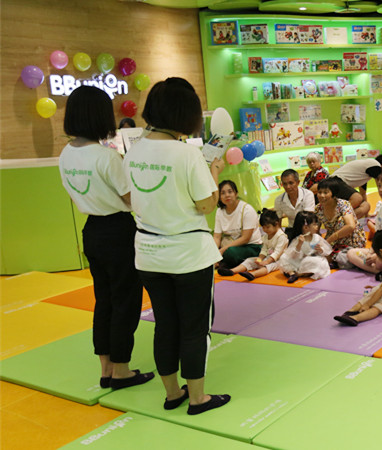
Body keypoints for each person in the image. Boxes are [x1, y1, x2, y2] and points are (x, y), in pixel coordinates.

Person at [124, 77, 228, 415]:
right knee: (195, 327)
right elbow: (206, 204)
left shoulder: (133, 150)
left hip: (148, 254)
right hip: (188, 255)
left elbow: (129, 197)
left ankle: (172, 394)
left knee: (165, 325)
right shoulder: (186, 154)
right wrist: (214, 171)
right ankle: (197, 398)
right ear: (186, 114)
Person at [59, 86, 153, 391]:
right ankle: (122, 371)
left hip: (92, 231)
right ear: (98, 116)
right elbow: (131, 199)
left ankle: (106, 369)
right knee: (126, 301)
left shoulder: (66, 154)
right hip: (118, 232)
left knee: (104, 300)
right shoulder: (107, 157)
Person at [217, 209, 288, 281]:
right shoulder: (266, 236)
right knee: (250, 260)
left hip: (279, 260)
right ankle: (232, 271)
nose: (265, 230)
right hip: (268, 258)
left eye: (268, 227)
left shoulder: (281, 236)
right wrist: (260, 259)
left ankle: (253, 274)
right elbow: (264, 249)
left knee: (268, 267)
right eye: (263, 227)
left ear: (276, 224)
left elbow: (277, 253)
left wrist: (266, 262)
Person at [315, 178, 367, 268]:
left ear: (334, 194)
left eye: (325, 192)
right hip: (331, 241)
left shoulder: (343, 204)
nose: (322, 195)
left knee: (346, 256)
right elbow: (315, 229)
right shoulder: (318, 209)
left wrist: (330, 239)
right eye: (319, 192)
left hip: (351, 239)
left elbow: (350, 226)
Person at [213, 180, 262, 268]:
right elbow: (217, 237)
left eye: (230, 192)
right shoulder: (219, 211)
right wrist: (214, 254)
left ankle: (223, 263)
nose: (227, 195)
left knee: (230, 253)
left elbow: (245, 238)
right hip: (230, 245)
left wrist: (222, 250)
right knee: (208, 251)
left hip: (251, 246)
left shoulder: (246, 209)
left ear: (236, 194)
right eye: (223, 193)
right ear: (219, 197)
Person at [278, 211, 332, 283]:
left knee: (317, 262)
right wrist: (299, 245)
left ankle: (298, 273)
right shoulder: (298, 239)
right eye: (314, 224)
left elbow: (327, 250)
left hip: (310, 260)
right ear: (306, 227)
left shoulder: (316, 238)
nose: (317, 227)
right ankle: (293, 274)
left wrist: (321, 250)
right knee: (283, 258)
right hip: (299, 261)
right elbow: (292, 256)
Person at [273, 168, 315, 238]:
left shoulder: (308, 195)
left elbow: (309, 219)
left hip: (308, 228)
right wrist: (281, 237)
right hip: (291, 229)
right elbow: (278, 222)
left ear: (298, 182)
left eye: (291, 183)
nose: (288, 187)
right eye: (285, 184)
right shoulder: (279, 200)